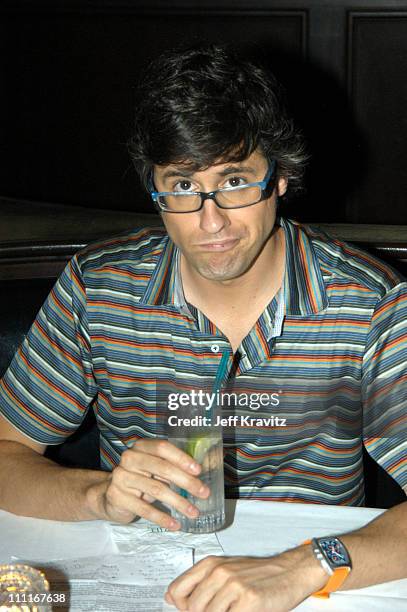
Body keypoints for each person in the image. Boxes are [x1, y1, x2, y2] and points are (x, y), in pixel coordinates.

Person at [0, 44, 406, 611]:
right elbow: (6, 453)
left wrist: (304, 567)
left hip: (312, 588)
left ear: (281, 178)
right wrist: (98, 494)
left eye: (235, 180)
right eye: (183, 187)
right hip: (144, 580)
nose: (210, 221)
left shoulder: (369, 305)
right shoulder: (98, 288)